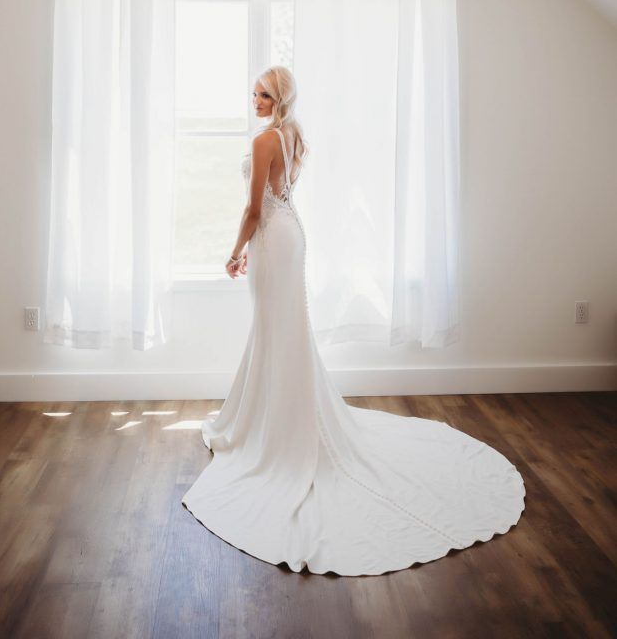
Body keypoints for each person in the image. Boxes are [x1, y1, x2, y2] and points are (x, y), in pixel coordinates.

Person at [181, 66, 525, 575]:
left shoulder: (263, 141)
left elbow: (254, 209)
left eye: (264, 93)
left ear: (281, 98)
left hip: (273, 239)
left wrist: (235, 253)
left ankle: (276, 430)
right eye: (254, 91)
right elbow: (281, 198)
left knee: (278, 332)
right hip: (291, 236)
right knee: (281, 333)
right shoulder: (293, 135)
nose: (254, 98)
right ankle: (268, 416)